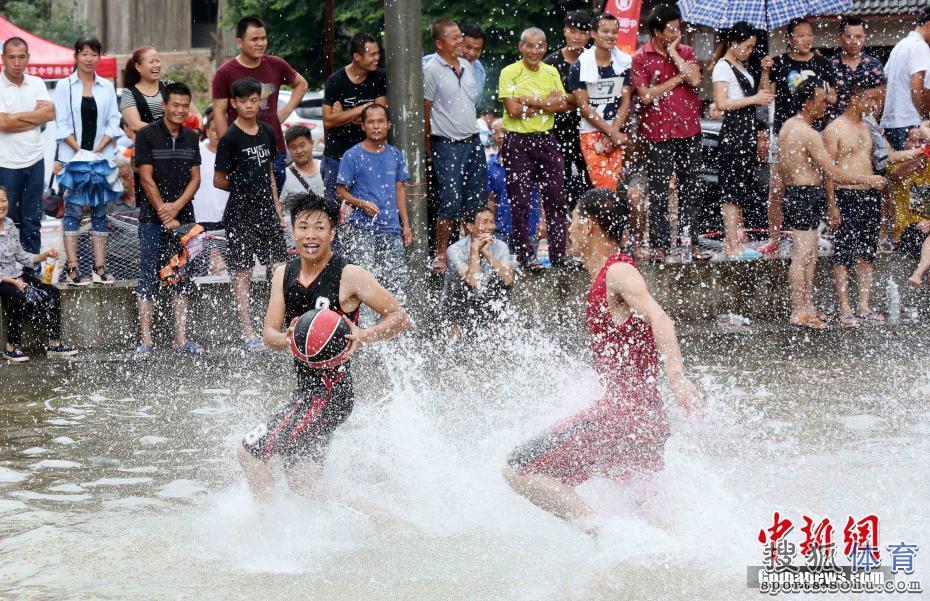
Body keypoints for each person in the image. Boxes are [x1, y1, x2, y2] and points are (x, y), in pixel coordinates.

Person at [503, 188, 702, 533]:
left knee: (519, 468)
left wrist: (678, 378)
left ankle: (602, 535)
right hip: (644, 421)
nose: (566, 226)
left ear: (590, 225)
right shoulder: (607, 274)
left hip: (620, 416)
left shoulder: (618, 272)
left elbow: (662, 319)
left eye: (574, 217)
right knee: (653, 517)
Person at [237, 192, 409, 503]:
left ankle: (263, 529)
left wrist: (365, 334)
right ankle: (382, 519)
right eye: (303, 227)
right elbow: (268, 334)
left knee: (249, 451)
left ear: (332, 232)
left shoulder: (349, 275)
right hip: (306, 391)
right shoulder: (283, 274)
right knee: (302, 480)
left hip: (331, 394)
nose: (311, 235)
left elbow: (400, 317)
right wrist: (288, 339)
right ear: (292, 230)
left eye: (319, 227)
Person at [773, 77, 886, 329]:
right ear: (807, 102)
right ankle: (798, 310)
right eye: (821, 100)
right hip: (804, 193)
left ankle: (808, 306)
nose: (826, 104)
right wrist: (867, 179)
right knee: (803, 255)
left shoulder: (788, 126)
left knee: (810, 255)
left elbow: (780, 169)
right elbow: (832, 173)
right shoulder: (809, 133)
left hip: (799, 193)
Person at [214, 77, 288, 353]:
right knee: (242, 273)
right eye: (242, 100)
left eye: (253, 100)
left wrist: (277, 208)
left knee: (278, 270)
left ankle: (277, 327)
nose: (248, 105)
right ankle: (248, 332)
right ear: (234, 103)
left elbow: (269, 173)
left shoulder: (268, 132)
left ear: (261, 101)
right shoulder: (229, 138)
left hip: (267, 211)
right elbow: (218, 180)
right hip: (239, 214)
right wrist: (244, 185)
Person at [132, 82, 205, 359]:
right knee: (148, 276)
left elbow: (196, 178)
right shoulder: (147, 135)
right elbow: (146, 178)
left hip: (184, 218)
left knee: (182, 276)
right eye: (175, 104)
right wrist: (164, 211)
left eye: (185, 106)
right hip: (152, 219)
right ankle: (146, 341)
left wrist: (176, 208)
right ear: (164, 105)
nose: (180, 110)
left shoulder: (191, 137)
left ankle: (181, 338)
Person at [631, 4, 704, 258]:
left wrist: (674, 53)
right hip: (657, 133)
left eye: (678, 28)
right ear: (656, 31)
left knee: (691, 187)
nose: (676, 33)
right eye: (670, 29)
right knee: (659, 190)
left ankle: (691, 242)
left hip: (690, 129)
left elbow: (694, 80)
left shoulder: (686, 51)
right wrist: (674, 80)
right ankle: (661, 245)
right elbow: (646, 96)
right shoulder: (641, 57)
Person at [498, 27, 571, 268]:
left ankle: (559, 255)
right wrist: (545, 104)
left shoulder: (550, 71)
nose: (534, 51)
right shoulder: (509, 72)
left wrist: (529, 100)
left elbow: (562, 105)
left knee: (556, 199)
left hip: (546, 139)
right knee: (520, 201)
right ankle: (525, 255)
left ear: (546, 47)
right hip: (517, 141)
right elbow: (513, 111)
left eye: (539, 46)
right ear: (521, 47)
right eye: (529, 46)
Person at [53, 37, 122, 286]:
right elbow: (61, 124)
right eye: (84, 54)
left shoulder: (106, 86)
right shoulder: (64, 86)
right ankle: (73, 268)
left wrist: (97, 149)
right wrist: (80, 150)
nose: (89, 59)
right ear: (76, 56)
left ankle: (99, 267)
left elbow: (114, 122)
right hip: (73, 158)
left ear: (99, 57)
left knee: (100, 210)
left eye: (94, 54)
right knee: (72, 209)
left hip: (100, 158)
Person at [212, 17, 307, 193]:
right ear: (239, 42)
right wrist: (227, 148)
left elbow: (301, 84)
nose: (260, 43)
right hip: (242, 149)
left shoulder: (276, 64)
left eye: (263, 38)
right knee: (246, 199)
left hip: (274, 147)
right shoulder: (224, 73)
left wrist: (284, 112)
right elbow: (219, 112)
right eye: (254, 39)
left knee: (273, 200)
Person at [424, 19, 487, 273]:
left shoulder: (469, 67)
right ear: (440, 44)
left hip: (473, 141)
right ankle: (440, 253)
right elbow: (424, 111)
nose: (460, 41)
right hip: (446, 144)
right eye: (454, 38)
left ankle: (474, 250)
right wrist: (428, 148)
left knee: (476, 200)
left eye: (460, 36)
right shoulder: (431, 69)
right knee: (450, 200)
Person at [336, 104, 412, 305]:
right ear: (363, 126)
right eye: (371, 122)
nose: (376, 126)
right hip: (362, 229)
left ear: (388, 124)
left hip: (391, 228)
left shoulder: (395, 154)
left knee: (398, 281)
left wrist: (406, 226)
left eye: (380, 121)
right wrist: (361, 203)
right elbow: (340, 191)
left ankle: (396, 327)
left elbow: (400, 189)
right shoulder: (352, 155)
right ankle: (366, 330)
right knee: (365, 281)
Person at [710, 23, 773, 259]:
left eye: (752, 48)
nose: (749, 51)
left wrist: (765, 72)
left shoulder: (741, 66)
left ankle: (737, 240)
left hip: (746, 131)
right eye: (746, 47)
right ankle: (731, 244)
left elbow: (763, 97)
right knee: (730, 189)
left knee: (739, 188)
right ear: (734, 42)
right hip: (733, 131)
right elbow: (722, 103)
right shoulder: (722, 67)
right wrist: (754, 99)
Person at [0, 186, 77, 362]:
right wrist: (13, 282)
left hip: (16, 274)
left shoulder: (10, 225)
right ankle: (10, 347)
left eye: (3, 200)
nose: (1, 205)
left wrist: (44, 255)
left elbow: (21, 256)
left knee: (53, 292)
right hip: (3, 279)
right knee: (18, 296)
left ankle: (54, 344)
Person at [0, 38, 55, 258]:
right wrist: (34, 117)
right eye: (11, 57)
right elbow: (2, 123)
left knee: (33, 220)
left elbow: (49, 114)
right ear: (3, 59)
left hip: (35, 159)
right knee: (8, 220)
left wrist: (14, 118)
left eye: (21, 56)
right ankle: (8, 270)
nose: (16, 62)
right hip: (6, 162)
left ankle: (31, 272)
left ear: (28, 58)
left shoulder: (37, 82)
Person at [568, 13, 634, 192]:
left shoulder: (623, 64)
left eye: (614, 32)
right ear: (593, 34)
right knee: (601, 188)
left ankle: (603, 220)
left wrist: (613, 133)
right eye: (605, 31)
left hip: (616, 129)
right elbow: (584, 107)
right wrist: (611, 132)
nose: (610, 36)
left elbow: (625, 101)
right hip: (591, 132)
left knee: (613, 187)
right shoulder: (580, 66)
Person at [322, 33, 387, 201]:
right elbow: (328, 120)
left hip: (370, 154)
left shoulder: (380, 76)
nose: (377, 58)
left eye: (378, 53)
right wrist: (363, 108)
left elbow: (378, 116)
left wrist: (344, 115)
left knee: (370, 204)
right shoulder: (336, 81)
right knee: (333, 207)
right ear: (357, 56)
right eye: (372, 54)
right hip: (338, 155)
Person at [544, 11, 593, 210]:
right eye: (573, 31)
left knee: (590, 184)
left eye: (582, 32)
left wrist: (566, 99)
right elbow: (548, 102)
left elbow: (591, 99)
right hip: (557, 132)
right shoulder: (550, 63)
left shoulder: (593, 60)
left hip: (589, 129)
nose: (577, 37)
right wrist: (578, 100)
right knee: (558, 186)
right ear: (565, 31)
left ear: (590, 35)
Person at [442, 205, 513, 328]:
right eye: (484, 223)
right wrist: (474, 250)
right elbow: (472, 281)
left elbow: (508, 279)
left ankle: (496, 330)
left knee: (502, 279)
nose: (490, 227)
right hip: (458, 306)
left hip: (486, 302)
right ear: (470, 226)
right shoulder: (454, 249)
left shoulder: (501, 246)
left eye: (492, 222)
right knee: (461, 284)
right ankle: (454, 334)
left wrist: (487, 253)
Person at [880, 7, 930, 150]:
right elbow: (917, 87)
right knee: (915, 170)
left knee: (897, 169)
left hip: (890, 122)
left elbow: (885, 82)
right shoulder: (920, 46)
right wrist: (925, 116)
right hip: (910, 122)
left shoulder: (900, 45)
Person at [829, 16, 886, 119]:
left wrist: (869, 122)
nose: (854, 41)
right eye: (849, 36)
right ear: (840, 38)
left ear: (864, 37)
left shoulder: (874, 65)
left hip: (865, 124)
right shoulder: (830, 65)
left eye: (858, 36)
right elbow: (826, 100)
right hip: (836, 126)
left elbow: (879, 98)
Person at [424, 23, 488, 104]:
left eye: (477, 49)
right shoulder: (428, 63)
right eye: (468, 47)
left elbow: (475, 103)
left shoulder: (479, 69)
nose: (472, 53)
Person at [119, 46, 173, 133]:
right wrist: (167, 131)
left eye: (158, 61)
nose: (156, 65)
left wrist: (197, 129)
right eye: (151, 62)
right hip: (148, 144)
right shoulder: (129, 93)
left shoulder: (170, 86)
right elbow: (135, 125)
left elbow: (194, 113)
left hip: (176, 144)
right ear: (138, 67)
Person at [192, 111, 229, 230]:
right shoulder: (196, 152)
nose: (218, 134)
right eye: (214, 130)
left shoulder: (235, 155)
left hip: (227, 217)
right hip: (201, 217)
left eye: (221, 129)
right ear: (207, 131)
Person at [281, 125, 324, 204]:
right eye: (293, 147)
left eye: (302, 145)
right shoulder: (284, 176)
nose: (299, 151)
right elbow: (279, 207)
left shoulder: (325, 168)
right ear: (288, 149)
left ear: (312, 143)